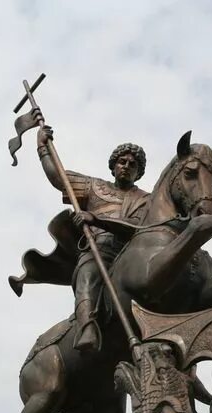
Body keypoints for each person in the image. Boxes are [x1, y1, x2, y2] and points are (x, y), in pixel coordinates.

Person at [36, 124, 149, 351]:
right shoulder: (94, 187)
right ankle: (87, 326)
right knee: (88, 274)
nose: (126, 166)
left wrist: (96, 219)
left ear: (139, 172)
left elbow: (137, 228)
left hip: (131, 254)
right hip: (99, 251)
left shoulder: (146, 199)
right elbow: (59, 177)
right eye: (122, 162)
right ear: (113, 166)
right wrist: (43, 148)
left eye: (133, 164)